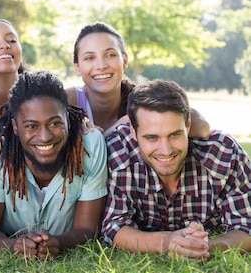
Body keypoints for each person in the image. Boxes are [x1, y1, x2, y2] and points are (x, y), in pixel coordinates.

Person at [101, 79, 251, 258]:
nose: (165, 150)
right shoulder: (119, 151)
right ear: (133, 132)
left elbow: (246, 227)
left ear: (187, 125)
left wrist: (202, 248)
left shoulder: (224, 153)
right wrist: (166, 242)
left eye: (174, 135)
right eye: (151, 138)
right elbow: (113, 227)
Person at [0, 70, 108, 260]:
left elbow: (88, 228)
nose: (45, 137)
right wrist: (14, 245)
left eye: (54, 123)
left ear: (67, 118)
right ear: (16, 127)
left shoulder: (90, 145)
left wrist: (58, 243)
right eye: (31, 126)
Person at [68, 21, 209, 137]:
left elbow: (202, 126)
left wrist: (129, 122)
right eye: (89, 58)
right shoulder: (68, 100)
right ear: (77, 67)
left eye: (110, 55)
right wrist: (114, 131)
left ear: (124, 61)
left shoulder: (142, 100)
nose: (101, 66)